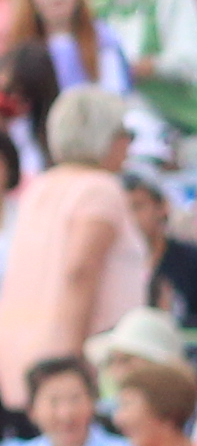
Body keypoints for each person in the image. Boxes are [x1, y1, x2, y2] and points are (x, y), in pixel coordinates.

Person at [0, 87, 152, 384]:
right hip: (76, 360)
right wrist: (71, 364)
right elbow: (80, 271)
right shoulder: (99, 188)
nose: (127, 144)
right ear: (104, 137)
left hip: (23, 355)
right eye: (123, 134)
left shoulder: (41, 186)